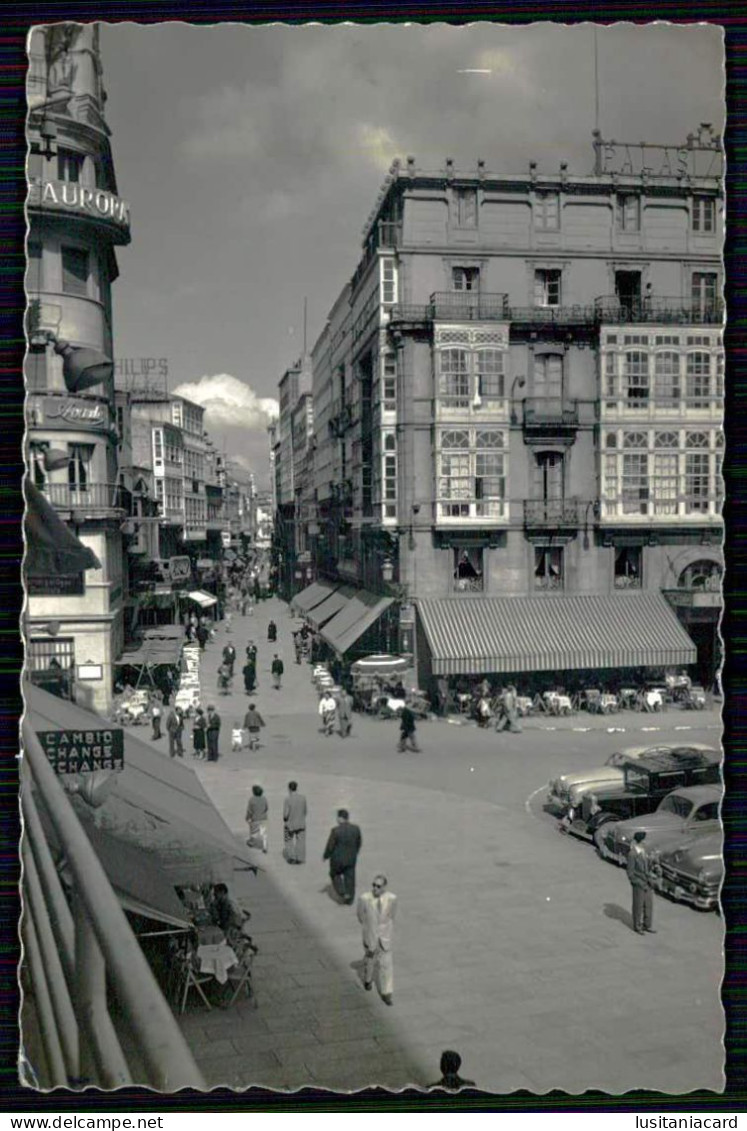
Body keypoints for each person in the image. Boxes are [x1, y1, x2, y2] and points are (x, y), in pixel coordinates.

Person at [356, 875, 397, 1005]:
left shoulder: (392, 898)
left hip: (384, 938)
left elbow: (392, 915)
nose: (375, 888)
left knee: (386, 966)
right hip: (371, 937)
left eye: (378, 886)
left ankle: (387, 993)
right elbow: (361, 916)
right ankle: (368, 979)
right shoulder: (364, 898)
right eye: (373, 885)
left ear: (384, 887)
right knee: (370, 960)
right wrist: (369, 929)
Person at [323, 809, 362, 905]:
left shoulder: (336, 831)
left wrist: (326, 855)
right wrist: (355, 852)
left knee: (334, 874)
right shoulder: (356, 829)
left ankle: (342, 892)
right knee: (350, 877)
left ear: (340, 818)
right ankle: (350, 898)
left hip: (337, 859)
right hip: (351, 858)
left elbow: (330, 846)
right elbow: (359, 842)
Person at [627, 830, 656, 935]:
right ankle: (637, 926)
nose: (645, 842)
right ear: (640, 841)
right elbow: (630, 873)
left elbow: (648, 866)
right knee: (638, 906)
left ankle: (647, 925)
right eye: (644, 840)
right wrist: (638, 883)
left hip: (648, 882)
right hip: (639, 884)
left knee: (648, 905)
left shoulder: (645, 851)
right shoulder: (632, 854)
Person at [282, 781, 307, 864]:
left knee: (288, 840)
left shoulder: (288, 799)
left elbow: (286, 814)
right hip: (301, 823)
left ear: (289, 788)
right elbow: (305, 811)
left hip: (290, 824)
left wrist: (285, 819)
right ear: (297, 787)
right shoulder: (303, 798)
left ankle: (292, 857)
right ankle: (300, 858)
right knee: (301, 841)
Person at [246, 784, 268, 853]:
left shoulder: (251, 800)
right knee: (263, 833)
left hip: (255, 819)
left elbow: (249, 810)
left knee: (253, 832)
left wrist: (247, 817)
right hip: (264, 818)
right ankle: (264, 846)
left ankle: (252, 842)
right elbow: (266, 808)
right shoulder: (264, 799)